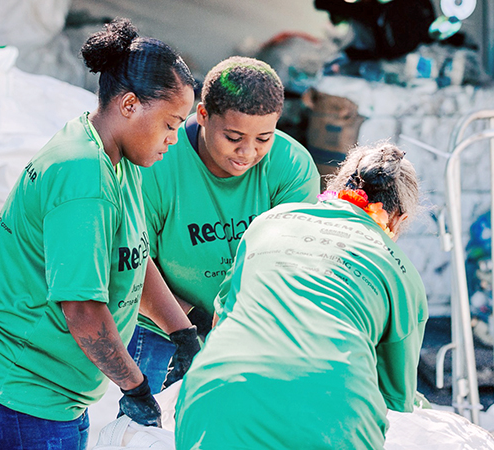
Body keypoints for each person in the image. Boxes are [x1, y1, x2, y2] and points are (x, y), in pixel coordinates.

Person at [0, 18, 196, 450]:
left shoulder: (116, 155)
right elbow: (81, 308)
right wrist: (135, 388)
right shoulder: (84, 179)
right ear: (130, 105)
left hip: (53, 395)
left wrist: (181, 332)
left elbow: (133, 257)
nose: (175, 138)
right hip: (15, 392)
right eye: (171, 123)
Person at [175, 142, 428, 449]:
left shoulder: (270, 221)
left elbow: (220, 320)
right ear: (398, 217)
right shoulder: (398, 269)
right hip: (334, 420)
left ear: (335, 187)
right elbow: (396, 395)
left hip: (213, 397)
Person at [128, 56, 321, 393]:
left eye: (264, 138)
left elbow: (291, 262)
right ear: (203, 115)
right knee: (149, 430)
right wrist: (188, 327)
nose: (247, 152)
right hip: (162, 322)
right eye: (233, 137)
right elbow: (133, 263)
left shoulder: (292, 166)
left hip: (253, 321)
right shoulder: (156, 163)